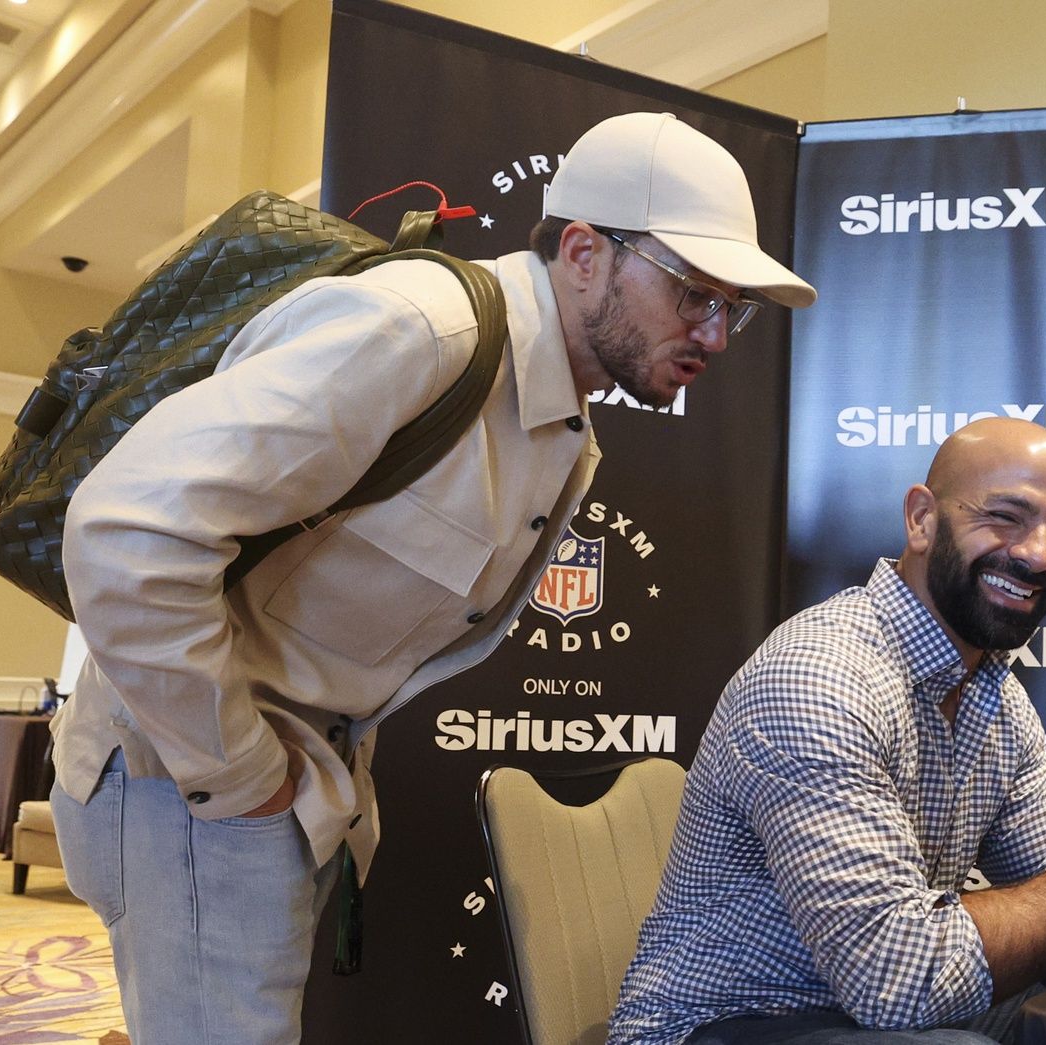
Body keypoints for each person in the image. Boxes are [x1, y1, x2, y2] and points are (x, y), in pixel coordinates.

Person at [46, 111, 816, 1045]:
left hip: (268, 781)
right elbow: (127, 529)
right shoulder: (421, 330)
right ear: (582, 253)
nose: (716, 332)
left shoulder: (564, 431)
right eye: (693, 291)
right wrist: (245, 779)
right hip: (184, 777)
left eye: (730, 305)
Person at [609, 417, 1046, 1045]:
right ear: (922, 520)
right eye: (1005, 516)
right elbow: (902, 984)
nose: (1035, 555)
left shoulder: (1001, 704)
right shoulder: (820, 679)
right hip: (727, 1021)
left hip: (883, 1012)